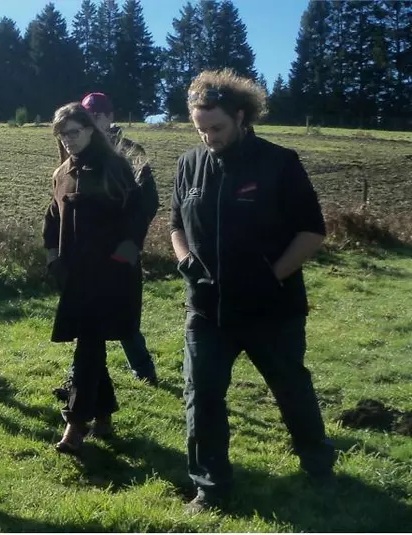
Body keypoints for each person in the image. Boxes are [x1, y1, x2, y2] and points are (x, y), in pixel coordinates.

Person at [169, 69, 335, 512]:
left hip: (271, 309)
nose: (208, 138)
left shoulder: (279, 162)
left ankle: (319, 467)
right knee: (201, 395)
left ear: (241, 117)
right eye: (200, 129)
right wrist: (184, 260)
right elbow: (175, 226)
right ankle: (210, 487)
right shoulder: (188, 164)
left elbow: (311, 231)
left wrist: (274, 274)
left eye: (217, 128)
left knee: (290, 387)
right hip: (206, 309)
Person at [43, 102, 151, 453]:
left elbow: (136, 218)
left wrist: (123, 256)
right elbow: (52, 219)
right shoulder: (62, 173)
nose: (69, 140)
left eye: (75, 132)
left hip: (111, 273)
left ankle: (75, 425)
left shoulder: (115, 168)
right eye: (63, 134)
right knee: (91, 343)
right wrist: (53, 259)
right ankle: (103, 416)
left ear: (91, 129)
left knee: (88, 345)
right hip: (77, 275)